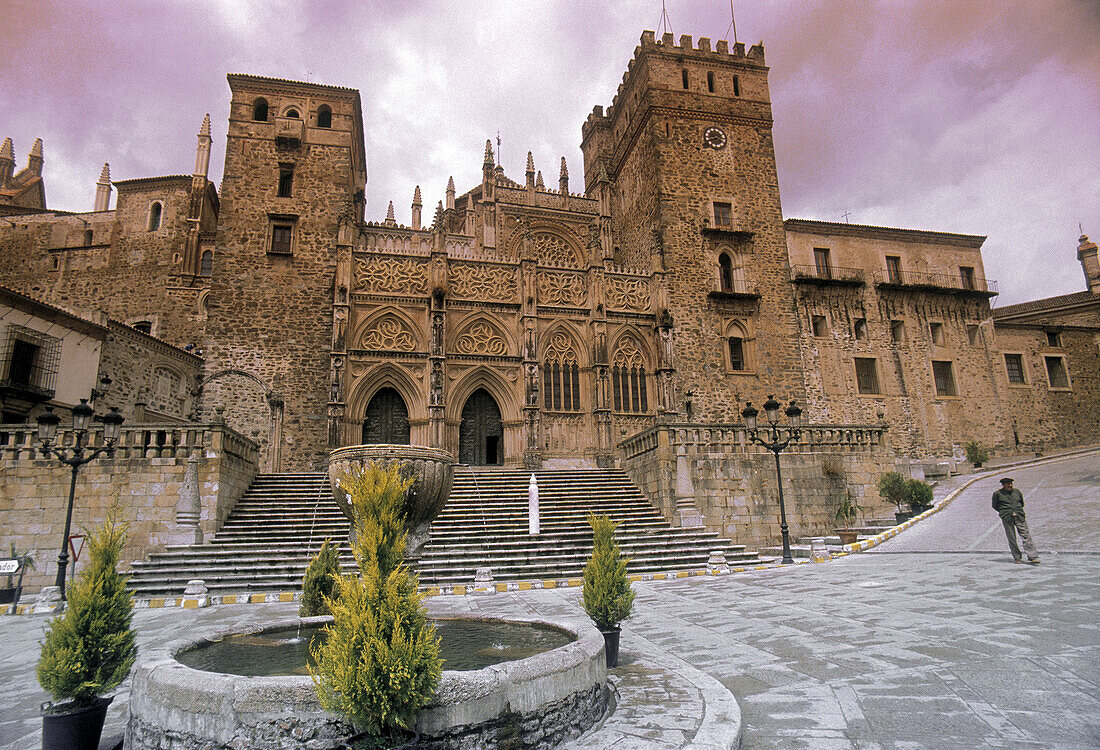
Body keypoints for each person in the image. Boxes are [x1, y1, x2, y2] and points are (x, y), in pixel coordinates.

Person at [992, 477, 1040, 564]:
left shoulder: (1017, 492)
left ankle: (1032, 556)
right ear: (1003, 485)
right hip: (1007, 517)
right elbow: (995, 505)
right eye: (1008, 484)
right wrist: (1004, 512)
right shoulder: (997, 494)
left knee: (1026, 536)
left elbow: (1021, 503)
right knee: (1012, 538)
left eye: (1011, 484)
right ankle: (1017, 557)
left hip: (1019, 516)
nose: (1010, 485)